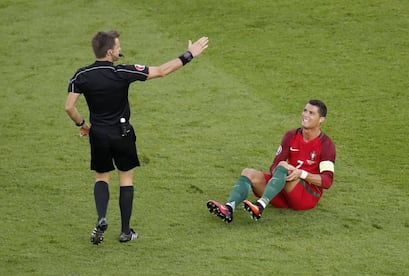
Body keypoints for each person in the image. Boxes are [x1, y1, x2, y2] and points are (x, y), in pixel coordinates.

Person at [65, 30, 208, 244]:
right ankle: (125, 232)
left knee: (102, 177)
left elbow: (69, 107)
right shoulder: (122, 72)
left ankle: (102, 217)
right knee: (126, 179)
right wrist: (189, 55)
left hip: (99, 135)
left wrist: (83, 125)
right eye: (118, 47)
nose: (121, 49)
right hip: (123, 134)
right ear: (111, 52)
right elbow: (161, 71)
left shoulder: (82, 75)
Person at [207, 99, 336, 223]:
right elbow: (275, 165)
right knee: (248, 173)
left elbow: (327, 180)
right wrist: (279, 173)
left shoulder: (326, 145)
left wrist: (301, 173)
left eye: (311, 113)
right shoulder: (291, 136)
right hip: (284, 191)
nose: (305, 115)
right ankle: (228, 208)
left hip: (306, 197)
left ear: (321, 119)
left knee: (286, 168)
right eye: (305, 110)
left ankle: (260, 205)